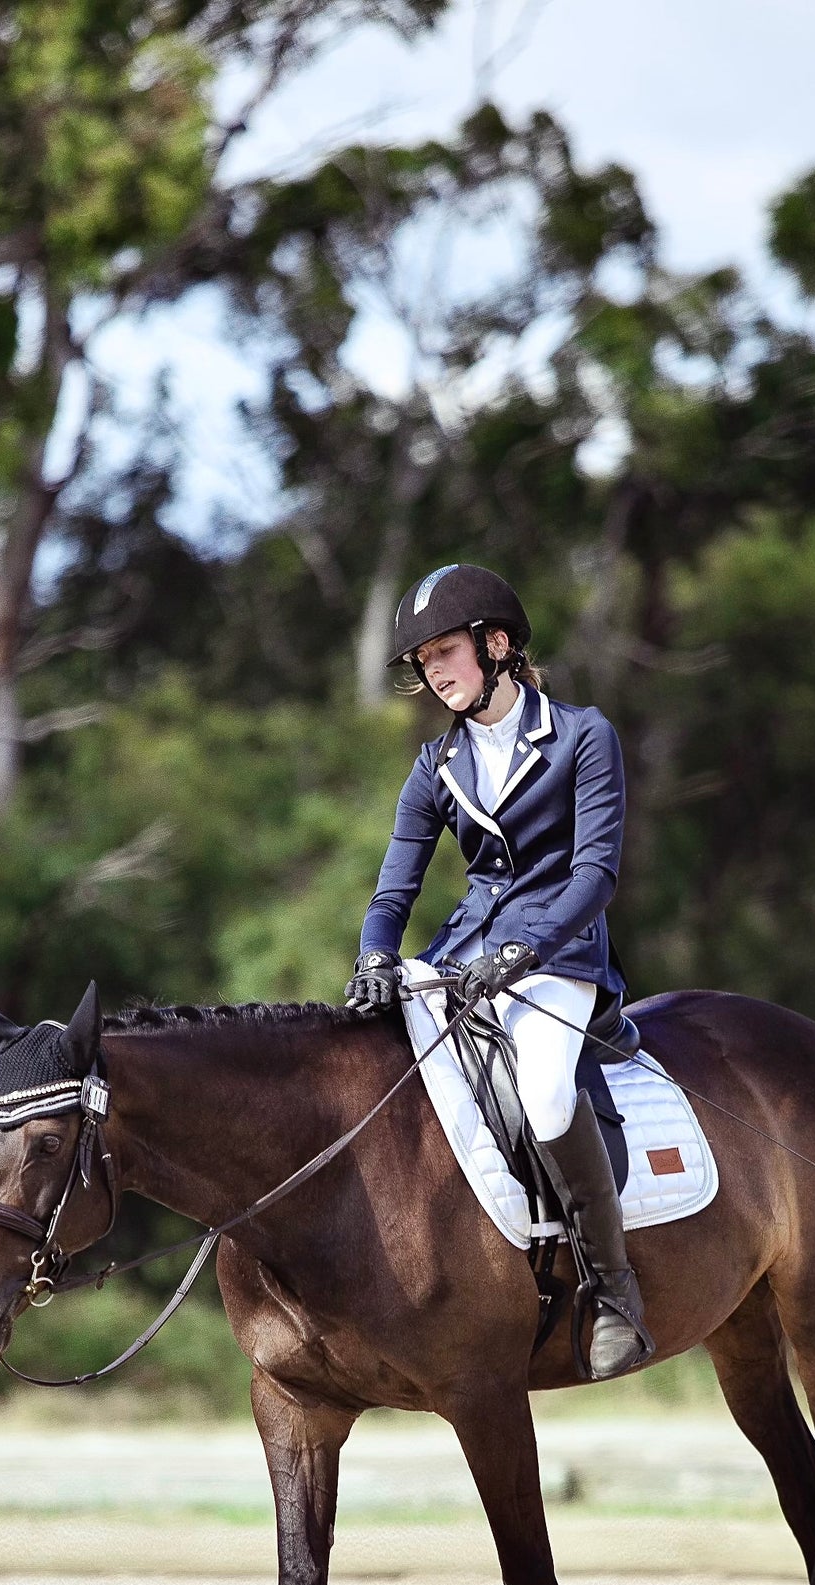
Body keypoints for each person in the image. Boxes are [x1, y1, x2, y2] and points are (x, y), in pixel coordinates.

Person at [344, 563, 652, 1378]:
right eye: (422, 662)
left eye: (444, 651)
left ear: (498, 644)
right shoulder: (433, 764)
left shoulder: (584, 736)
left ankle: (613, 1289)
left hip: (559, 955)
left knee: (546, 1090)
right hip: (460, 955)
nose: (433, 672)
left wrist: (527, 952)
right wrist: (376, 955)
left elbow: (595, 874)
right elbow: (395, 886)